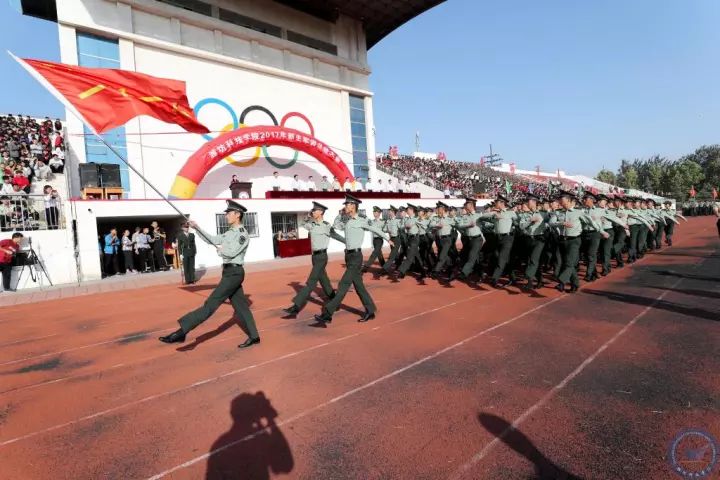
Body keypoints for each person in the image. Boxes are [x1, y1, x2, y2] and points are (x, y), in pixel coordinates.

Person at [159, 200, 260, 349]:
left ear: (237, 215)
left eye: (228, 213)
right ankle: (255, 336)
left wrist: (221, 250)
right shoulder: (229, 232)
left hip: (234, 273)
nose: (226, 216)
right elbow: (211, 240)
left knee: (210, 305)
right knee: (242, 307)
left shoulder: (242, 234)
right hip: (229, 272)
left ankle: (182, 331)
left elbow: (232, 252)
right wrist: (197, 227)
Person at [314, 194, 392, 325]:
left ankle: (328, 314)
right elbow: (336, 225)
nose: (345, 206)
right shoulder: (347, 221)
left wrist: (387, 238)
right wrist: (340, 214)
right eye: (345, 204)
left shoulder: (362, 220)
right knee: (359, 286)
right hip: (348, 256)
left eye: (348, 204)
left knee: (343, 284)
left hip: (356, 257)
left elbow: (375, 229)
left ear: (354, 206)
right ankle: (370, 310)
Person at [282, 202, 344, 317]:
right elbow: (301, 223)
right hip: (314, 257)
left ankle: (296, 307)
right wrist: (308, 216)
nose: (313, 212)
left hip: (321, 257)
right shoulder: (312, 225)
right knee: (324, 281)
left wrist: (348, 243)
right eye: (313, 210)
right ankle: (335, 302)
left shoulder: (326, 226)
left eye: (315, 210)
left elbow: (336, 236)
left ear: (321, 212)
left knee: (311, 282)